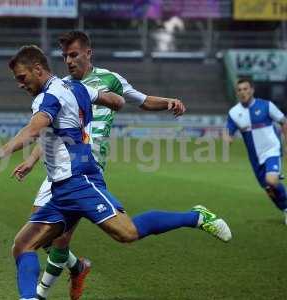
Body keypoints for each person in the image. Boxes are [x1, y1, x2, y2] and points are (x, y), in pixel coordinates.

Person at [0, 45, 232, 300]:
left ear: (37, 69)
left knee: (127, 233)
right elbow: (116, 101)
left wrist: (1, 152)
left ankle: (196, 216)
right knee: (23, 245)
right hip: (63, 187)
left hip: (79, 180)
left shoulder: (49, 97)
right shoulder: (75, 87)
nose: (20, 84)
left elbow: (34, 130)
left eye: (22, 78)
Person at [11, 30, 187, 300]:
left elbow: (140, 100)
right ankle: (76, 268)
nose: (69, 61)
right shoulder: (63, 86)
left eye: (74, 55)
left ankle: (41, 293)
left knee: (61, 237)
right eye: (65, 56)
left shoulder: (109, 79)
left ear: (88, 53)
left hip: (86, 169)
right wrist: (32, 160)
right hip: (60, 167)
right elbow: (49, 132)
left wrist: (167, 102)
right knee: (40, 236)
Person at [224, 78, 287, 223]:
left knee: (271, 180)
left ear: (252, 90)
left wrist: (286, 144)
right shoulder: (234, 112)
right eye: (239, 90)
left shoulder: (266, 106)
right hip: (255, 158)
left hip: (272, 150)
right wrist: (227, 138)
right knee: (269, 189)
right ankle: (285, 208)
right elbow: (228, 130)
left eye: (245, 89)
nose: (243, 92)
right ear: (236, 93)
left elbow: (283, 121)